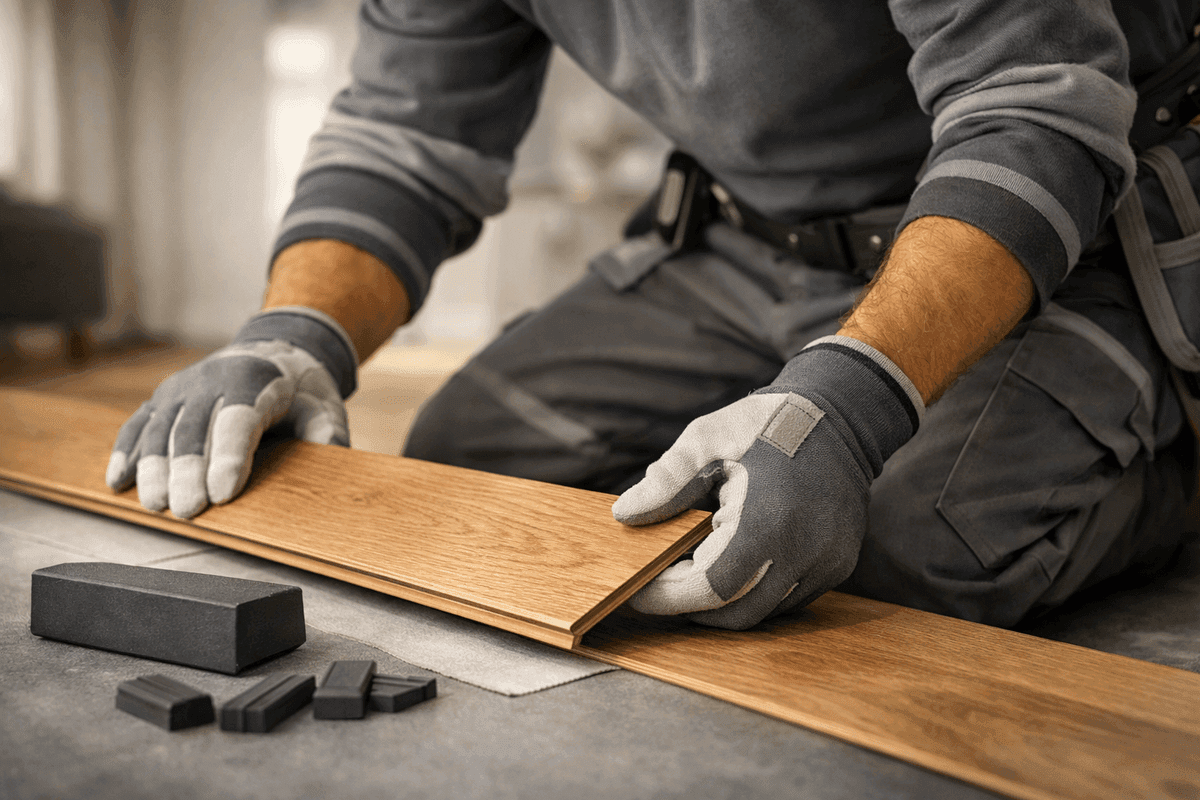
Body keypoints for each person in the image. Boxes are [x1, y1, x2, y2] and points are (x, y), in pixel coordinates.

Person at [106, 0, 1200, 630]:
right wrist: (291, 332)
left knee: (888, 552)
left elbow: (1032, 115)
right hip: (746, 239)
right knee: (465, 466)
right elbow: (404, 135)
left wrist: (854, 398)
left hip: (1077, 232)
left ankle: (1165, 447)